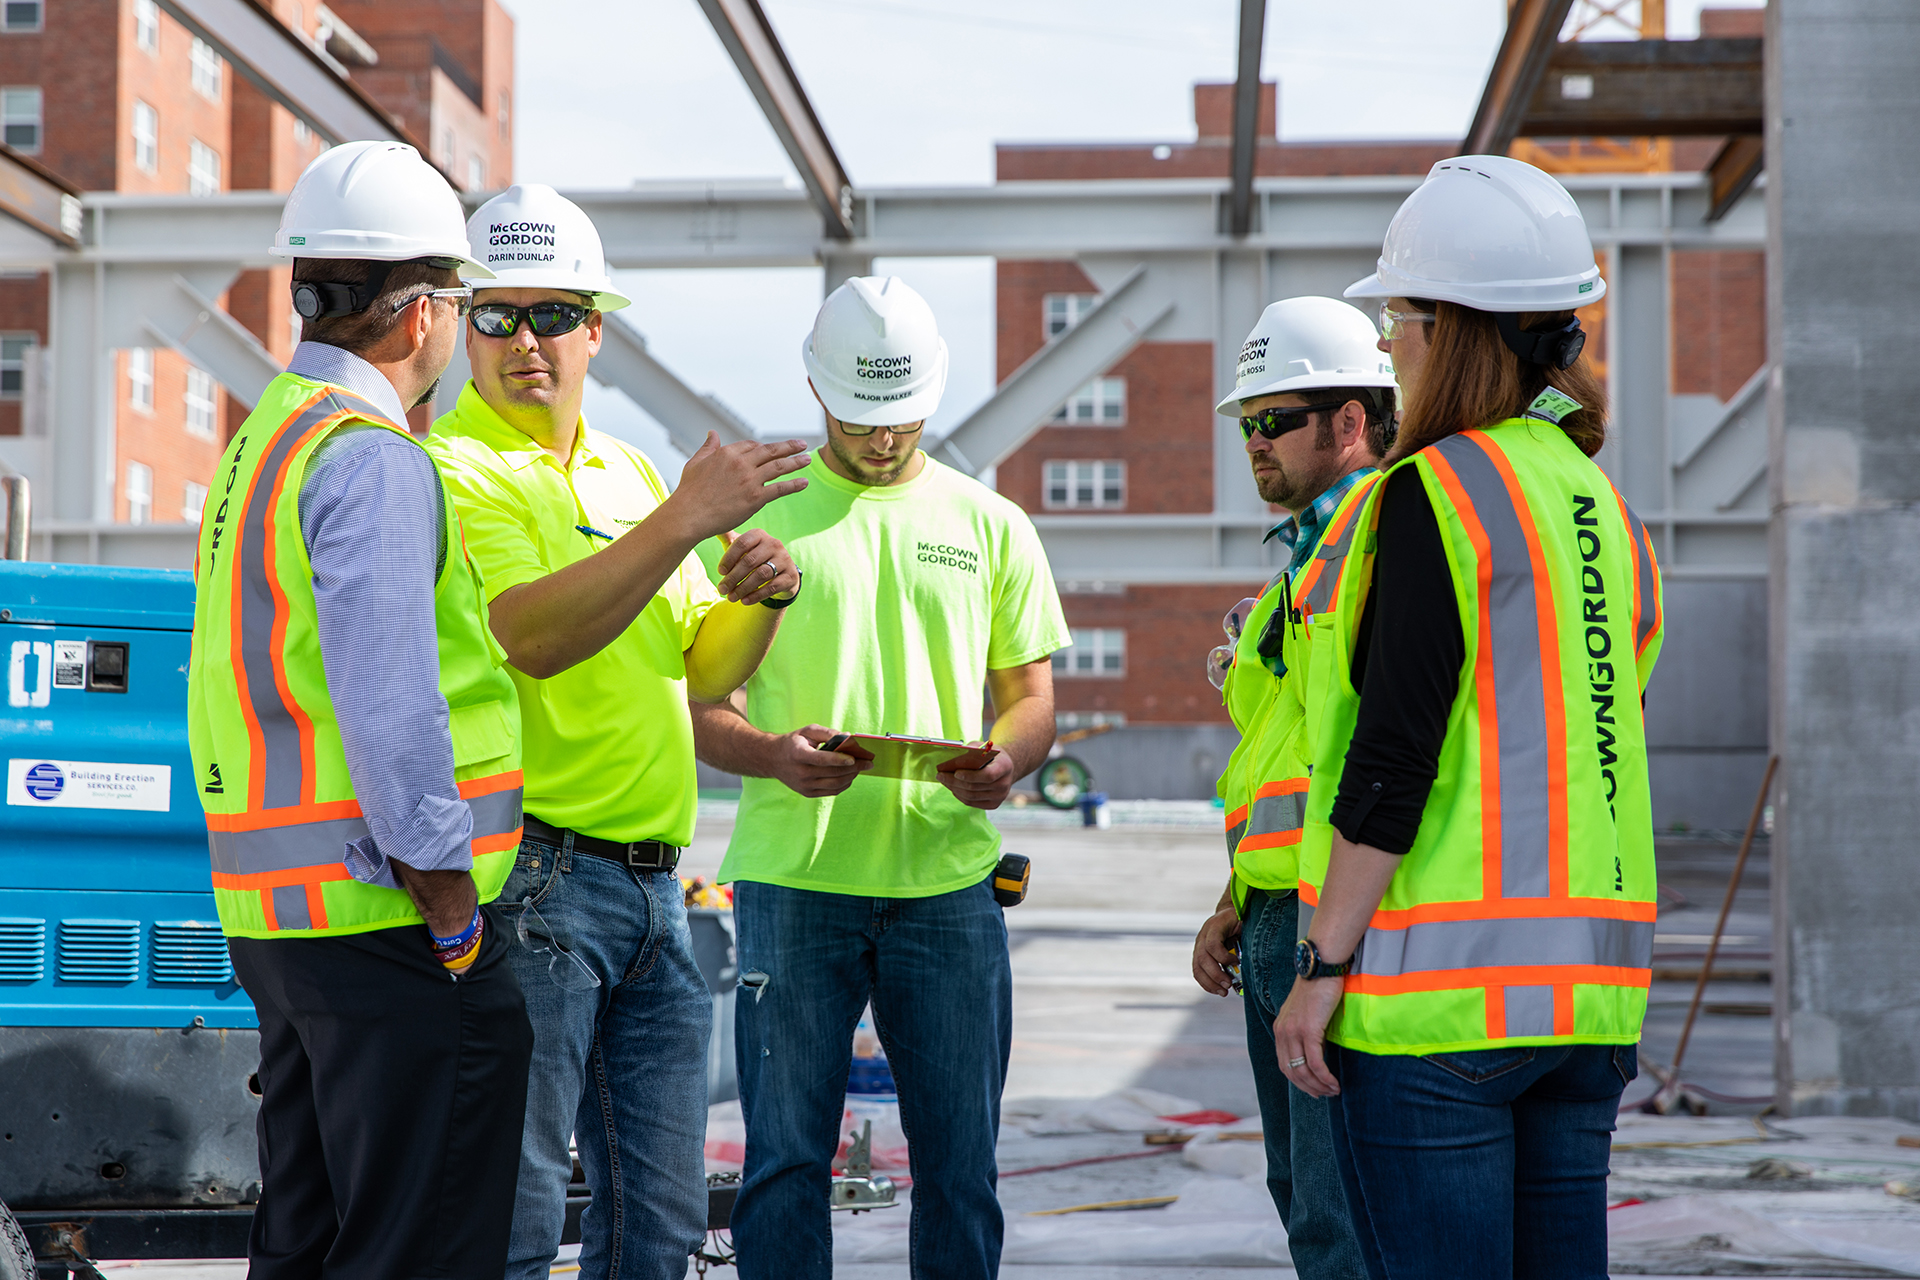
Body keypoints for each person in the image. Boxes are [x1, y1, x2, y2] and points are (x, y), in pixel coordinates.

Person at [1271, 155, 1665, 1279]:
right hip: (1588, 1006)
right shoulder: (1602, 505)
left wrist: (1322, 961)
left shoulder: (1434, 490)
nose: (1389, 342)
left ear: (1450, 326)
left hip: (1438, 1009)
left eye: (1398, 314)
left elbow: (1395, 751)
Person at [423, 184, 812, 1280]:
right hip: (538, 874)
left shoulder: (628, 474)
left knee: (662, 1216)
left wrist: (757, 599)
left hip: (656, 889)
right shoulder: (454, 470)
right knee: (521, 1201)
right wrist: (686, 520)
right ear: (463, 328)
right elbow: (529, 636)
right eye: (496, 314)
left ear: (598, 328)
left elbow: (700, 665)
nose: (524, 341)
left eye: (553, 314)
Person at [186, 140, 533, 1279]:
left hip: (281, 923)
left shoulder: (262, 442)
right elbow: (392, 706)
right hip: (387, 915)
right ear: (423, 312)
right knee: (417, 1246)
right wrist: (451, 908)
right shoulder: (370, 459)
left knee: (311, 1236)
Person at [688, 275, 1070, 1280]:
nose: (884, 437)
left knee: (960, 1169)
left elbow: (1031, 700)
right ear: (818, 391)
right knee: (782, 1165)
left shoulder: (994, 526)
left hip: (947, 882)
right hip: (793, 880)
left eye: (901, 416)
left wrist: (1007, 759)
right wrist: (771, 753)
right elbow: (696, 710)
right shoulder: (762, 526)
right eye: (861, 417)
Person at [1191, 296, 1396, 1279]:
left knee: (1342, 1210)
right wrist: (1237, 898)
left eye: (1272, 419)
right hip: (1279, 912)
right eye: (1246, 422)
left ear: (1349, 420)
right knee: (1307, 1202)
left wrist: (1324, 949)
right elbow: (1287, 758)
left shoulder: (1375, 550)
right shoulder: (1300, 569)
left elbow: (1374, 762)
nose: (1254, 442)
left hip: (1334, 917)